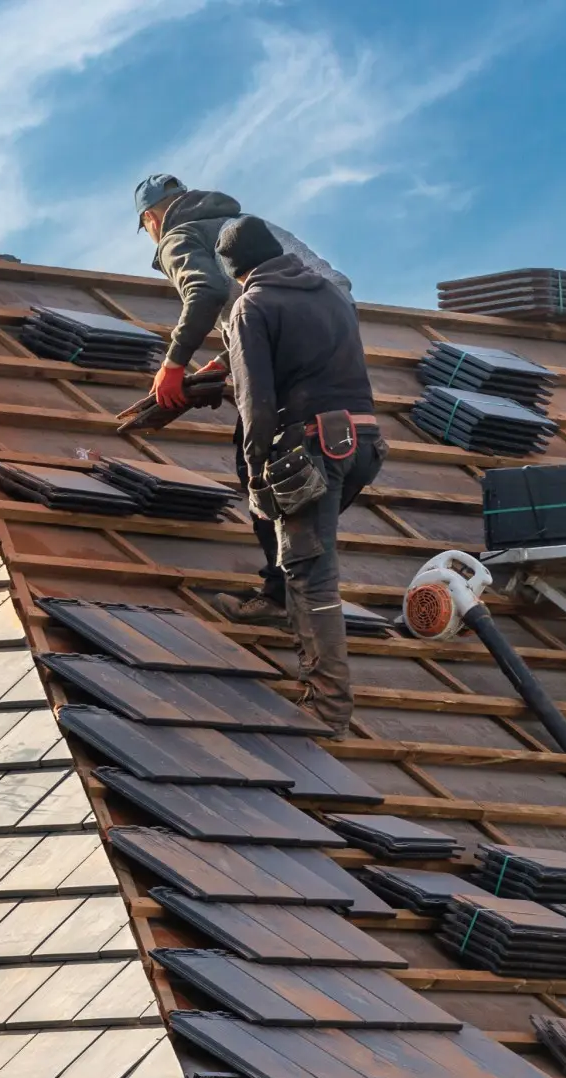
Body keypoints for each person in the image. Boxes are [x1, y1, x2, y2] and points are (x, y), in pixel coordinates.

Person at [134, 174, 352, 624]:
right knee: (307, 476)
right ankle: (300, 588)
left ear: (150, 218)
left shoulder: (178, 235)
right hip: (335, 348)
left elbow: (207, 292)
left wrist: (173, 364)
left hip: (288, 370)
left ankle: (280, 596)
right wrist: (229, 360)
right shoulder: (249, 224)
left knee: (261, 470)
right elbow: (328, 288)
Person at [215, 215, 382, 735]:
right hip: (365, 443)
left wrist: (256, 479)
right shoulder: (330, 295)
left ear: (235, 271)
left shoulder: (251, 306)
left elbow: (256, 404)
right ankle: (280, 607)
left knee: (310, 569)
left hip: (310, 447)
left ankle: (328, 708)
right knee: (307, 555)